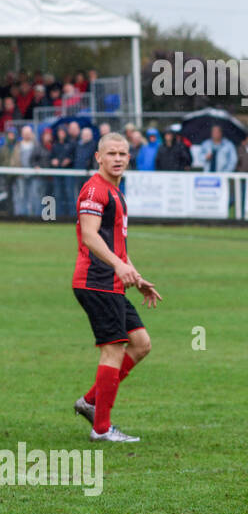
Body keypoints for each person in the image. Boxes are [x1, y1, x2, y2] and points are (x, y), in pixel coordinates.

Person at [71, 132, 163, 443]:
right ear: (98, 157)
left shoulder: (115, 192)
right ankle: (101, 428)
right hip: (96, 282)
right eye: (111, 153)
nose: (119, 158)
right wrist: (118, 266)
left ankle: (90, 401)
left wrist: (135, 276)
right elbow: (90, 235)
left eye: (123, 153)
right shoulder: (94, 190)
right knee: (113, 349)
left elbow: (117, 245)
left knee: (141, 344)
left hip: (112, 283)